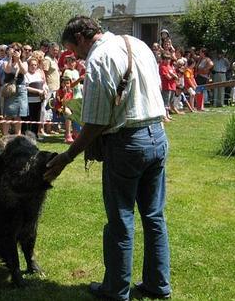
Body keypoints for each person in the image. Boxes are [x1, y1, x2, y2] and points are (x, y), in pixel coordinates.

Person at [44, 16, 171, 301]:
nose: (74, 55)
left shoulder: (99, 58)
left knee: (121, 220)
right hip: (157, 135)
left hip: (127, 144)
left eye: (73, 49)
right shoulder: (137, 44)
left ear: (80, 38)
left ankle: (115, 290)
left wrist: (68, 156)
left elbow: (97, 122)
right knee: (154, 216)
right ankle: (157, 284)